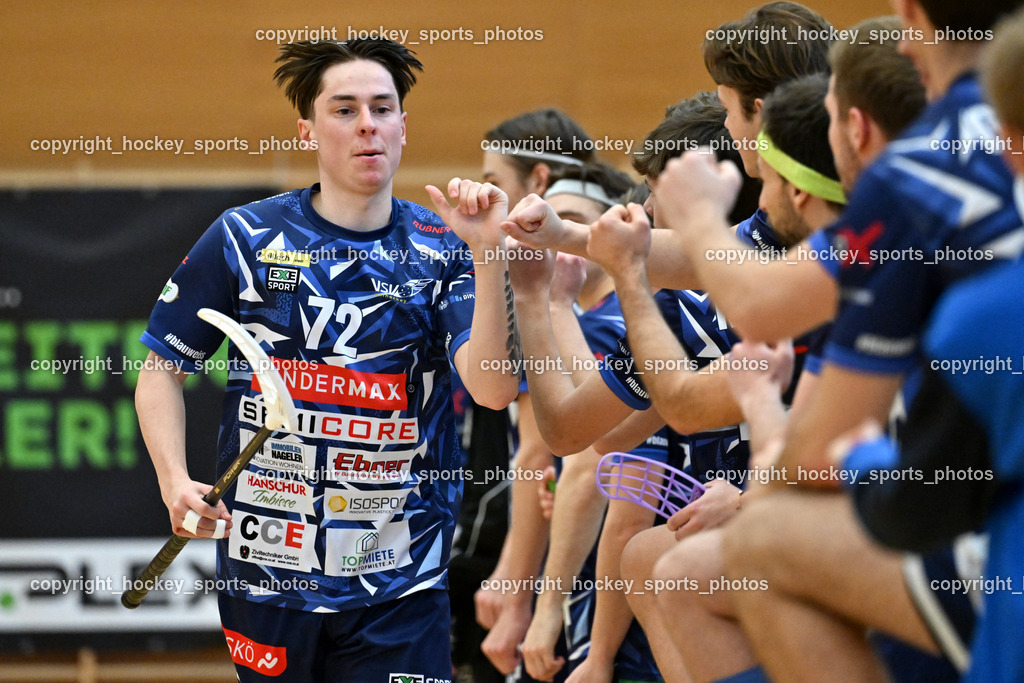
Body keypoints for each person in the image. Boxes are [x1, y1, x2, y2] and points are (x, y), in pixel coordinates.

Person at [134, 37, 519, 682]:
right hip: (267, 576)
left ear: (403, 127)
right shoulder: (243, 236)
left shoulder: (442, 249)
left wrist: (486, 254)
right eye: (344, 110)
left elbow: (494, 390)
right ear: (308, 130)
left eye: (382, 108)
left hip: (402, 579)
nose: (367, 124)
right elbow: (161, 369)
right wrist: (174, 479)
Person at [467, 109, 599, 682]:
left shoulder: (541, 283)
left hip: (541, 551)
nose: (486, 193)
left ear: (538, 180)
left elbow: (535, 452)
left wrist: (513, 585)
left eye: (496, 180)